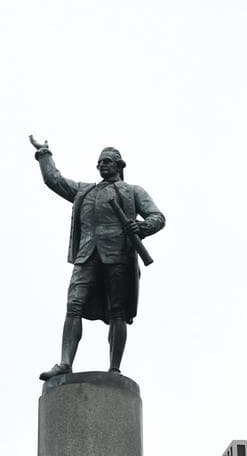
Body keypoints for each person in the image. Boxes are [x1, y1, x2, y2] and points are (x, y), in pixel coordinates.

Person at [31, 137, 165, 380]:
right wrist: (44, 153)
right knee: (73, 305)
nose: (102, 166)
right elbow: (55, 180)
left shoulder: (132, 191)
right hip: (86, 255)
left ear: (119, 165)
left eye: (108, 162)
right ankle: (65, 363)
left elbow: (157, 217)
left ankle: (114, 368)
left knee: (118, 312)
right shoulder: (85, 190)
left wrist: (141, 227)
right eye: (100, 162)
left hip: (118, 257)